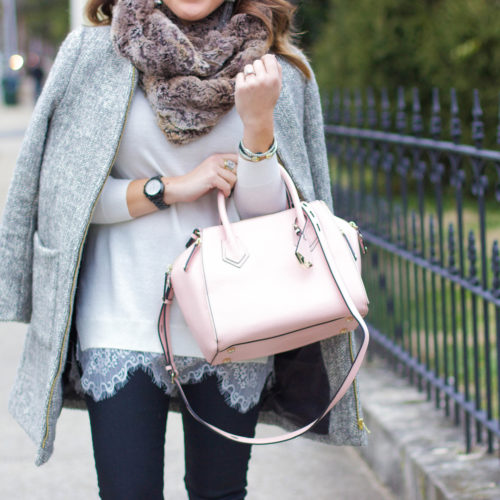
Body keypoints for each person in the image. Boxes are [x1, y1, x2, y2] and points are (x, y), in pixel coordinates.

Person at [0, 0, 367, 498]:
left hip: (235, 320)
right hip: (121, 313)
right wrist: (170, 188)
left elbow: (277, 223)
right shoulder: (94, 55)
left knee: (220, 492)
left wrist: (258, 127)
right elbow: (66, 200)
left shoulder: (277, 71)